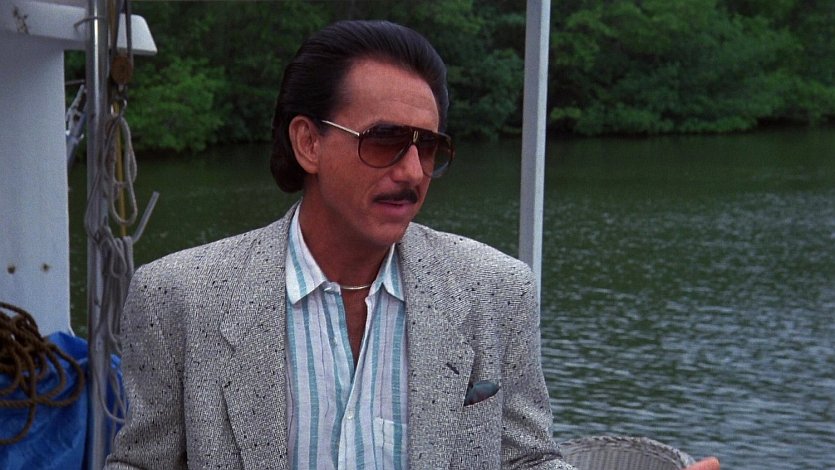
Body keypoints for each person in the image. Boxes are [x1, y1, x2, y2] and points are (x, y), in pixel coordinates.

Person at [105, 20, 719, 470]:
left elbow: (526, 461)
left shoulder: (496, 290)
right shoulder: (179, 297)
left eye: (429, 147)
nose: (412, 171)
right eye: (385, 141)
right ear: (308, 143)